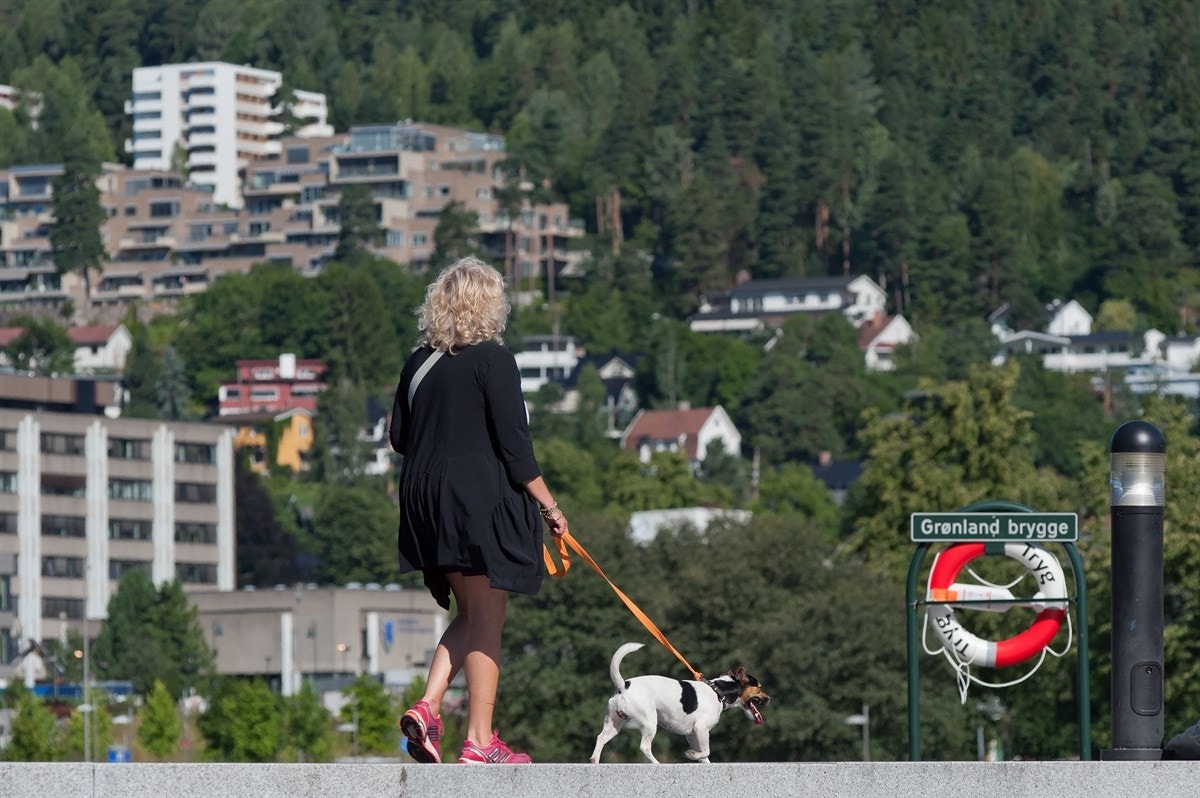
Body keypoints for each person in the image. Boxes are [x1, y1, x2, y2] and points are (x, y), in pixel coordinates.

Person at [389, 256, 569, 765]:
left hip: (424, 499)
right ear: (490, 305)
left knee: (469, 611)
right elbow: (515, 447)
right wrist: (551, 507)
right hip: (477, 497)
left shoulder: (417, 363)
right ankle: (481, 742)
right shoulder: (494, 359)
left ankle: (428, 707)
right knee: (489, 618)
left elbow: (400, 438)